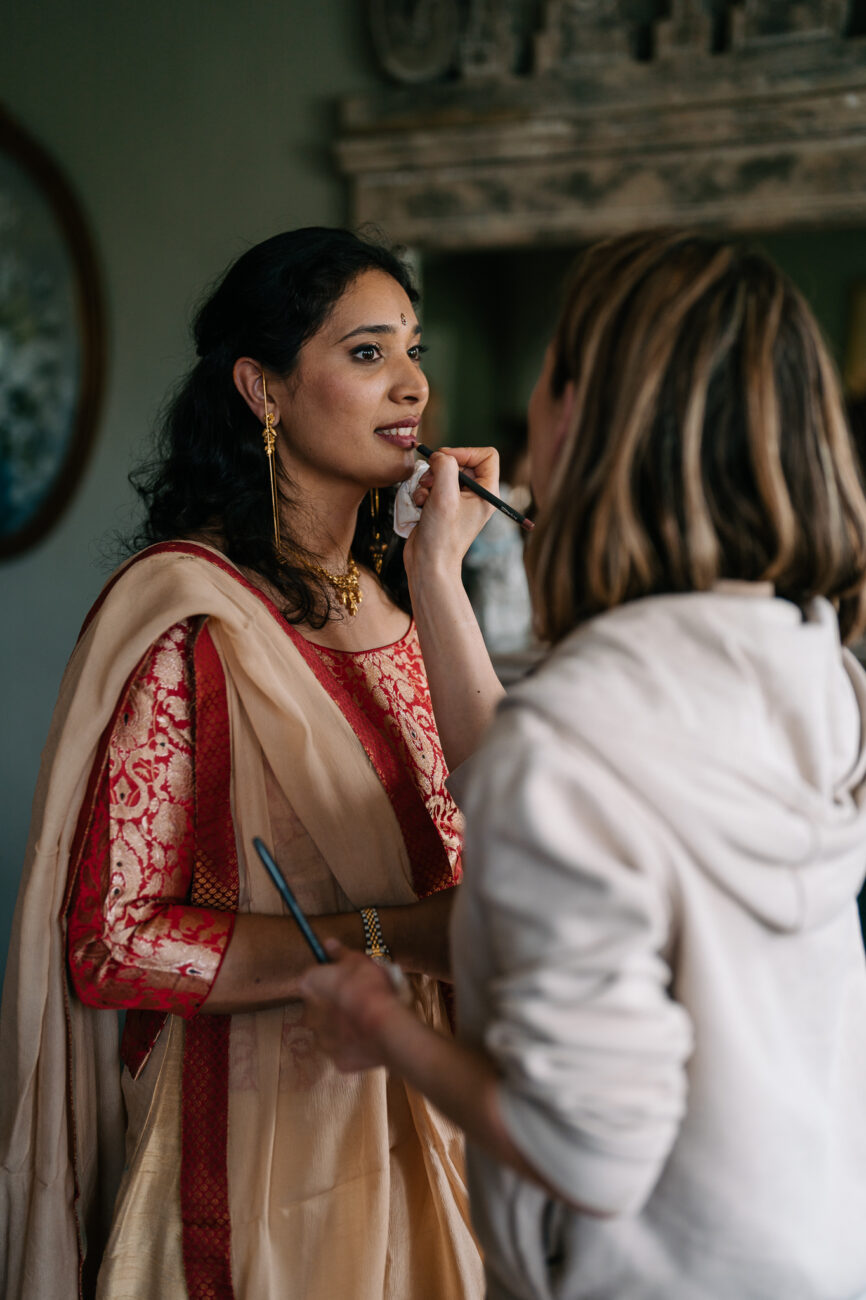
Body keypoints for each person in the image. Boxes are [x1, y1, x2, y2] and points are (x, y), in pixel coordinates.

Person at [299, 230, 866, 1300]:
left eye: (552, 372)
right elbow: (535, 781)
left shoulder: (569, 746)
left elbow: (585, 1153)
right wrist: (435, 574)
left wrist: (377, 1022)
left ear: (590, 419)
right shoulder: (810, 663)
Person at [0, 227, 492, 1299]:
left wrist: (439, 571)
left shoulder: (399, 601)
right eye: (365, 353)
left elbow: (479, 828)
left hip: (418, 1116)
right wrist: (399, 935)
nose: (410, 382)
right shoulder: (188, 616)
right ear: (261, 389)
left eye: (411, 348)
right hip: (255, 1153)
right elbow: (111, 944)